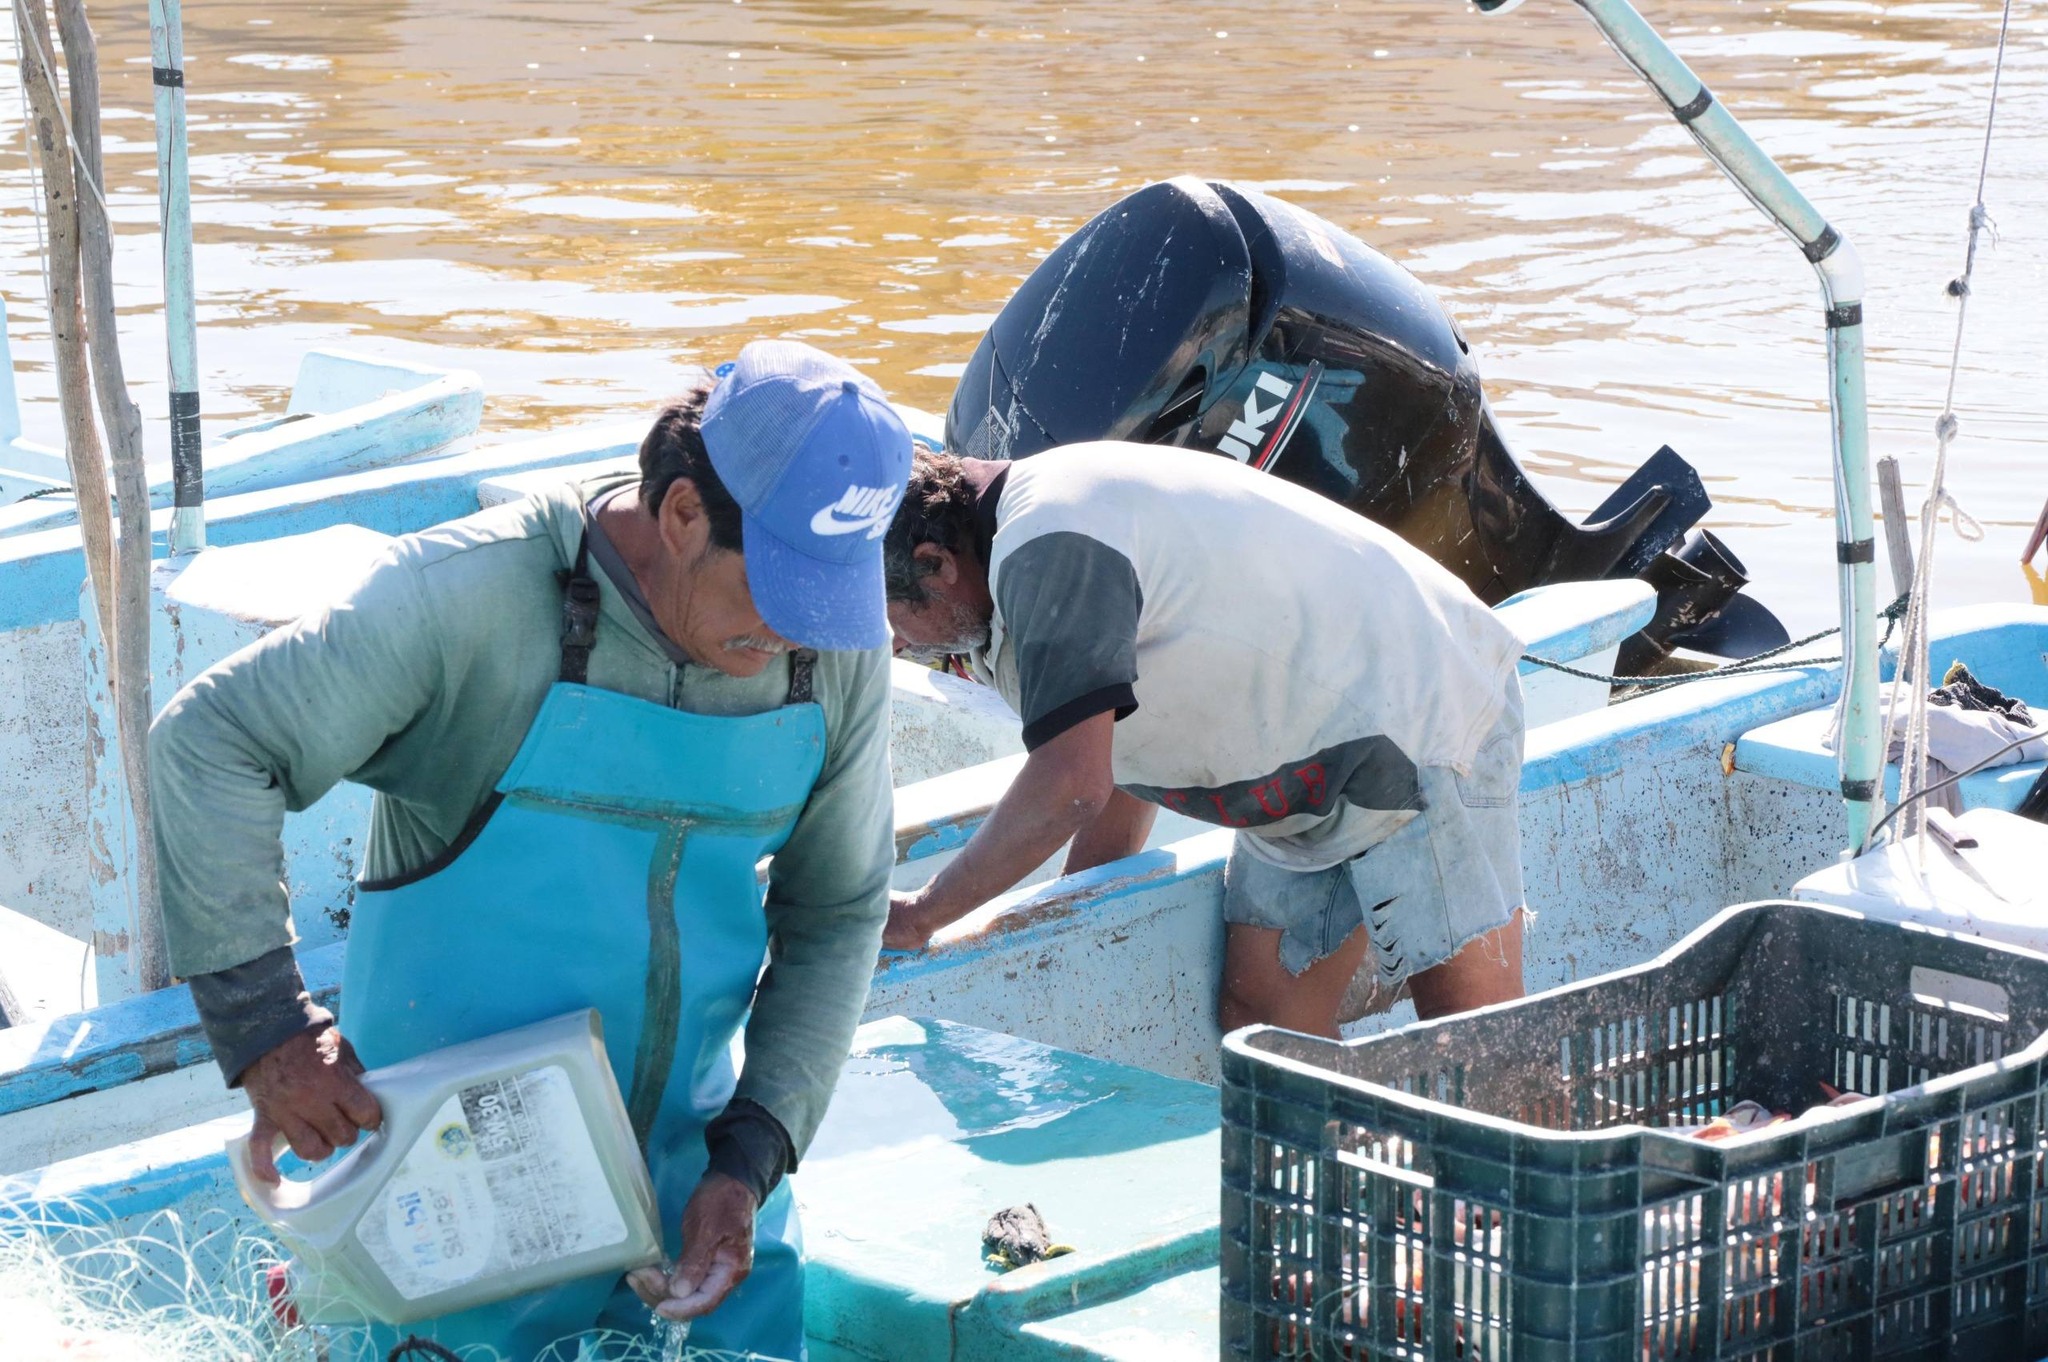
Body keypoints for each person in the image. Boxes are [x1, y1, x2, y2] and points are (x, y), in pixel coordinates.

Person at [150, 342, 910, 1360]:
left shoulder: (832, 657)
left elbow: (838, 910)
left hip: (701, 1206)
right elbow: (213, 742)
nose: (800, 633)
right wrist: (268, 1029)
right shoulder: (464, 598)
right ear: (684, 514)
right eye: (780, 589)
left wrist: (753, 1157)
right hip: (446, 1210)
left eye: (829, 599)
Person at [881, 442, 1526, 1037]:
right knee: (1261, 1025)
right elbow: (1119, 734)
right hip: (1306, 763)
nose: (897, 646)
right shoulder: (997, 566)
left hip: (1419, 716)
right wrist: (1080, 915)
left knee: (1470, 1039)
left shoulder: (1052, 547)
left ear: (935, 562)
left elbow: (1072, 783)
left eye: (891, 620)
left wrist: (921, 914)